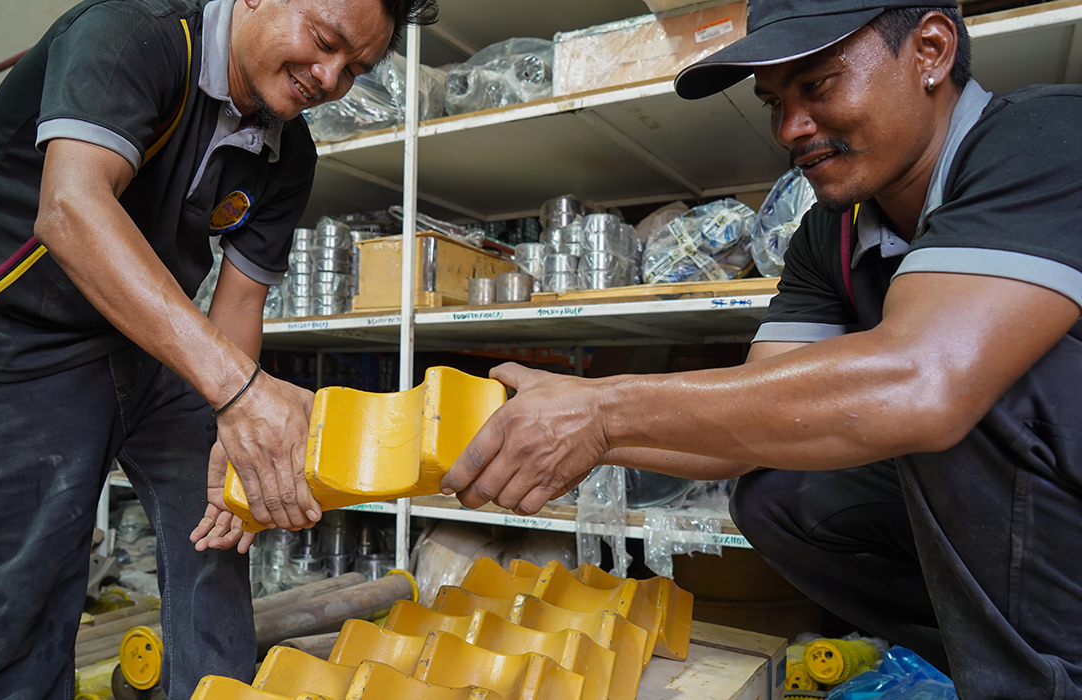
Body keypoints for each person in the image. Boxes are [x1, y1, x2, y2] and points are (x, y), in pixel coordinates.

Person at [440, 1, 1082, 696]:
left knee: (951, 407)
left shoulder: (1046, 135)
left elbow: (922, 381)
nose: (789, 128)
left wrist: (602, 413)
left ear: (930, 50)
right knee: (777, 495)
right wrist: (558, 427)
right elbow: (740, 435)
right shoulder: (832, 232)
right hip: (1030, 537)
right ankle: (998, 661)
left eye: (818, 86)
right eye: (775, 102)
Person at [0, 0, 435, 696]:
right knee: (25, 605)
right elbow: (72, 209)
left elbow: (239, 304)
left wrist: (237, 434)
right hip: (20, 342)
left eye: (354, 69)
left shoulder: (290, 153)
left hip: (154, 343)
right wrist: (241, 393)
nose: (329, 77)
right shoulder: (133, 33)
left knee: (219, 527)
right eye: (324, 40)